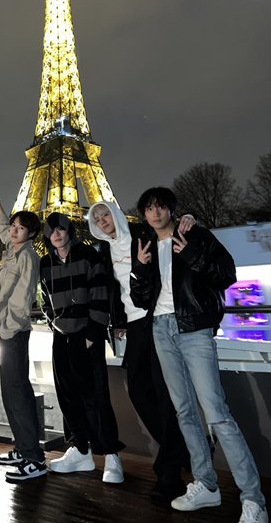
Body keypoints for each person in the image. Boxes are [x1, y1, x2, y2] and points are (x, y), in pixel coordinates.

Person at [129, 187, 268, 523]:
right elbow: (140, 299)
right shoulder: (146, 246)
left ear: (172, 209)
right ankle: (205, 484)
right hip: (160, 328)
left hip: (194, 328)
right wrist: (141, 268)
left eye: (161, 206)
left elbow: (227, 274)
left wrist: (192, 255)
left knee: (216, 413)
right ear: (144, 214)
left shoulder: (196, 235)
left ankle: (254, 499)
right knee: (184, 412)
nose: (155, 213)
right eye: (149, 208)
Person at [88, 201, 191, 501]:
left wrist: (189, 216)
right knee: (139, 391)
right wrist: (118, 319)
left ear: (116, 214)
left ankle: (169, 473)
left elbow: (167, 230)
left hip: (157, 316)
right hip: (134, 325)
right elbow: (114, 289)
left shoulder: (141, 234)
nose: (102, 220)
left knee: (163, 393)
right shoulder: (103, 251)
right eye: (96, 219)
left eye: (105, 214)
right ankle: (183, 449)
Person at [40, 212, 125, 483]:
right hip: (61, 337)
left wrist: (93, 333)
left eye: (61, 229)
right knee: (67, 395)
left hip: (86, 336)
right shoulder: (45, 263)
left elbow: (101, 293)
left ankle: (110, 453)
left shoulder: (89, 256)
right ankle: (80, 449)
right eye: (51, 230)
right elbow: (44, 299)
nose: (56, 234)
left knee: (96, 396)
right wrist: (53, 322)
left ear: (69, 231)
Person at [0, 175, 46, 482]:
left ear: (31, 233)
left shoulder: (27, 256)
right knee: (10, 393)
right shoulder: (12, 248)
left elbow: (22, 299)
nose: (14, 230)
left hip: (13, 333)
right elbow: (1, 226)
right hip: (6, 333)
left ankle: (34, 458)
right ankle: (23, 449)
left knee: (18, 393)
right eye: (14, 226)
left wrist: (7, 329)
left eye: (20, 228)